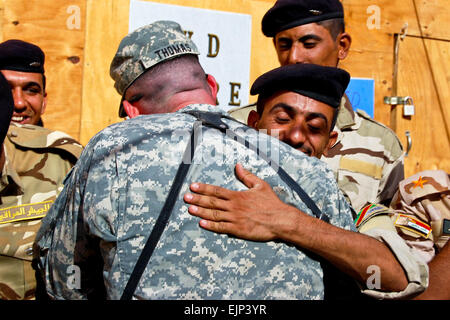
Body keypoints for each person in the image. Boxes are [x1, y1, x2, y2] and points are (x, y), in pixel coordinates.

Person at [35, 20, 379, 300]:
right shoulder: (307, 168)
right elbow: (355, 276)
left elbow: (63, 279)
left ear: (131, 110)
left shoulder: (111, 150)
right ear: (212, 85)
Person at [184, 63, 428, 300]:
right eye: (281, 119)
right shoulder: (207, 187)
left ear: (329, 142)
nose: (296, 136)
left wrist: (289, 222)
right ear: (253, 123)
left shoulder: (345, 208)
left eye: (314, 127)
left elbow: (396, 277)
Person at [229, 0, 404, 213]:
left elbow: (388, 234)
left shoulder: (381, 145)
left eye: (309, 43)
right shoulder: (236, 124)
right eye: (284, 45)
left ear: (342, 46)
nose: (293, 57)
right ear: (254, 122)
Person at [0, 70, 83, 300]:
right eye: (7, 90)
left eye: (31, 90)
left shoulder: (66, 160)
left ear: (45, 99)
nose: (17, 103)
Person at [0, 39, 47, 126]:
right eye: (5, 89)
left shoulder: (57, 139)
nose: (19, 103)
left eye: (31, 90)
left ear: (44, 102)